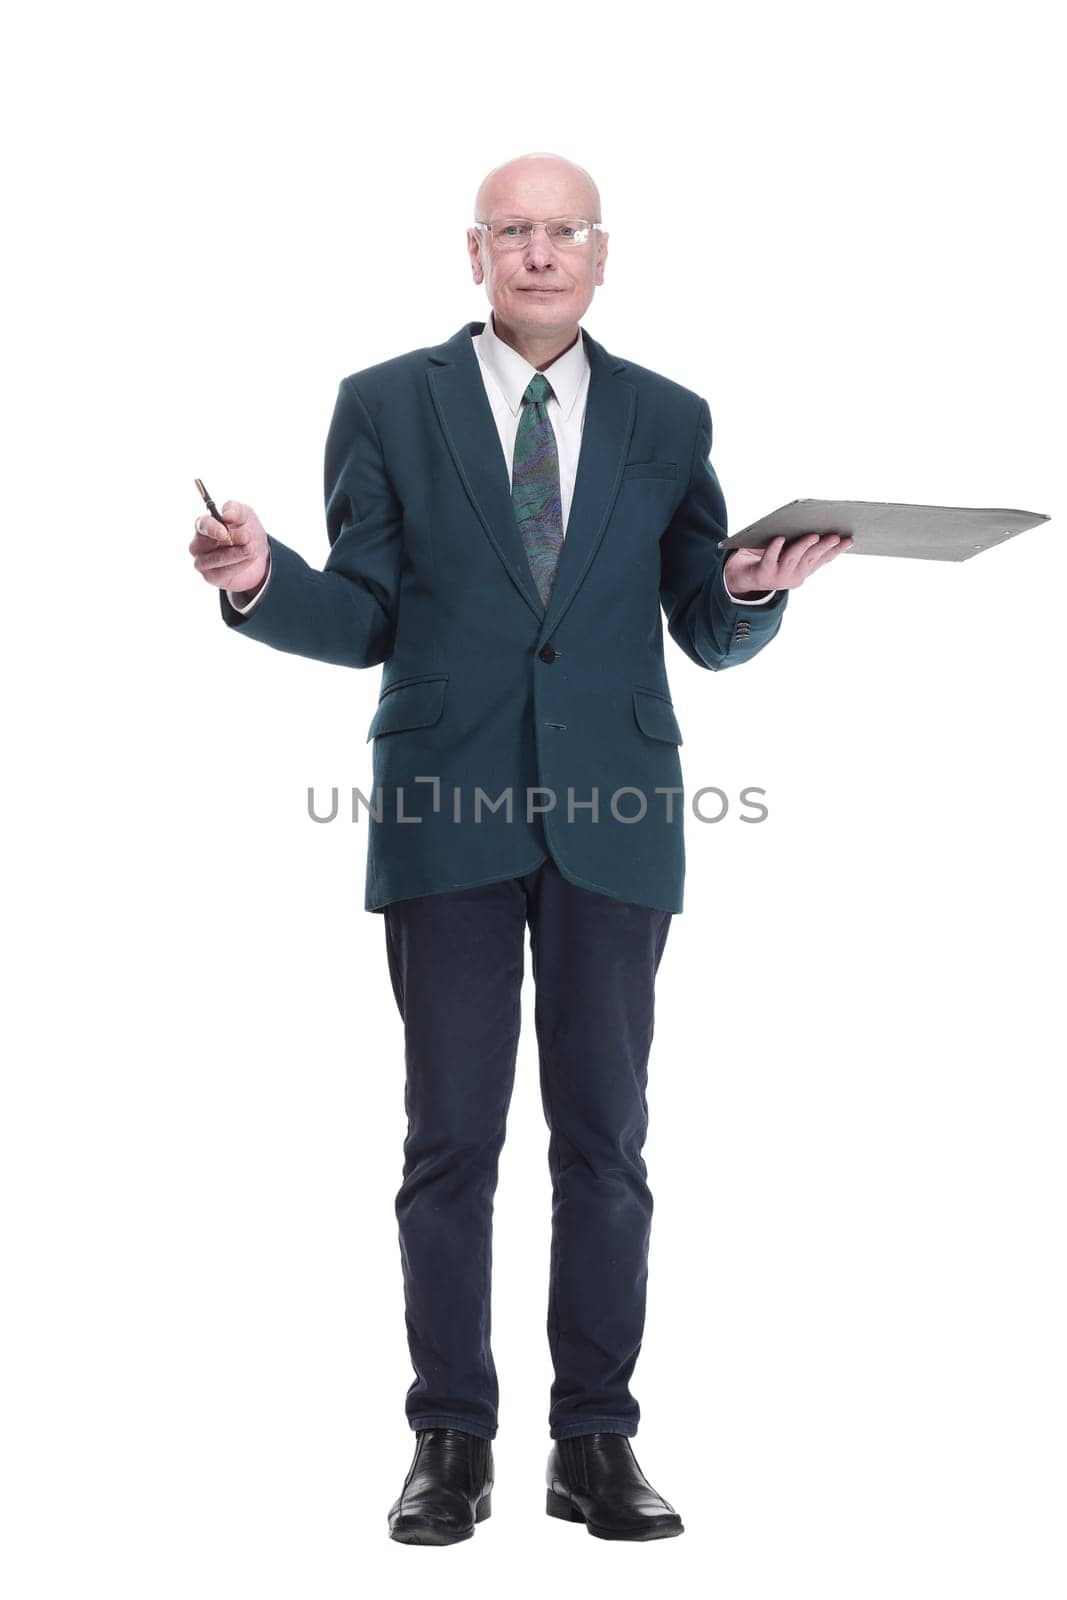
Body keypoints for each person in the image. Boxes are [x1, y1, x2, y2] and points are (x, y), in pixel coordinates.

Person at [190, 150, 850, 1545]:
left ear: (602, 255)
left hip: (617, 812)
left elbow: (704, 615)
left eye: (564, 232)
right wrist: (260, 583)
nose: (539, 252)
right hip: (447, 809)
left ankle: (596, 1446)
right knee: (450, 1141)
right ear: (473, 253)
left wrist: (749, 588)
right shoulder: (385, 404)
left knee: (608, 1143)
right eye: (513, 231)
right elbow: (365, 611)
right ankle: (450, 1441)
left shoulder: (670, 417)